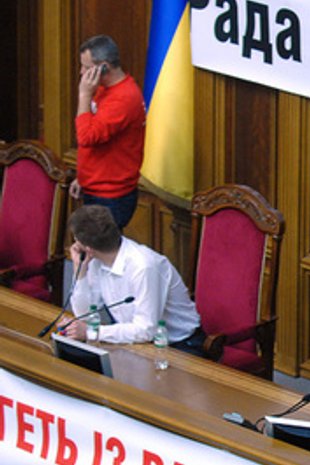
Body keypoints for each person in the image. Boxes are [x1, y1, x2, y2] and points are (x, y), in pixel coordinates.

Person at [59, 205, 204, 356]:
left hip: (179, 345)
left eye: (76, 241)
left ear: (88, 249)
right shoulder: (96, 260)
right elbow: (85, 314)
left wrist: (92, 331)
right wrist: (80, 271)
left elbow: (146, 330)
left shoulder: (143, 267)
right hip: (135, 341)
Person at [71, 34, 146, 229]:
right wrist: (83, 177)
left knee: (99, 247)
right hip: (95, 187)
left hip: (111, 197)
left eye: (86, 67)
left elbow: (86, 137)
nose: (81, 72)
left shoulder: (123, 98)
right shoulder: (103, 88)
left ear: (103, 67)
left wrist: (84, 95)